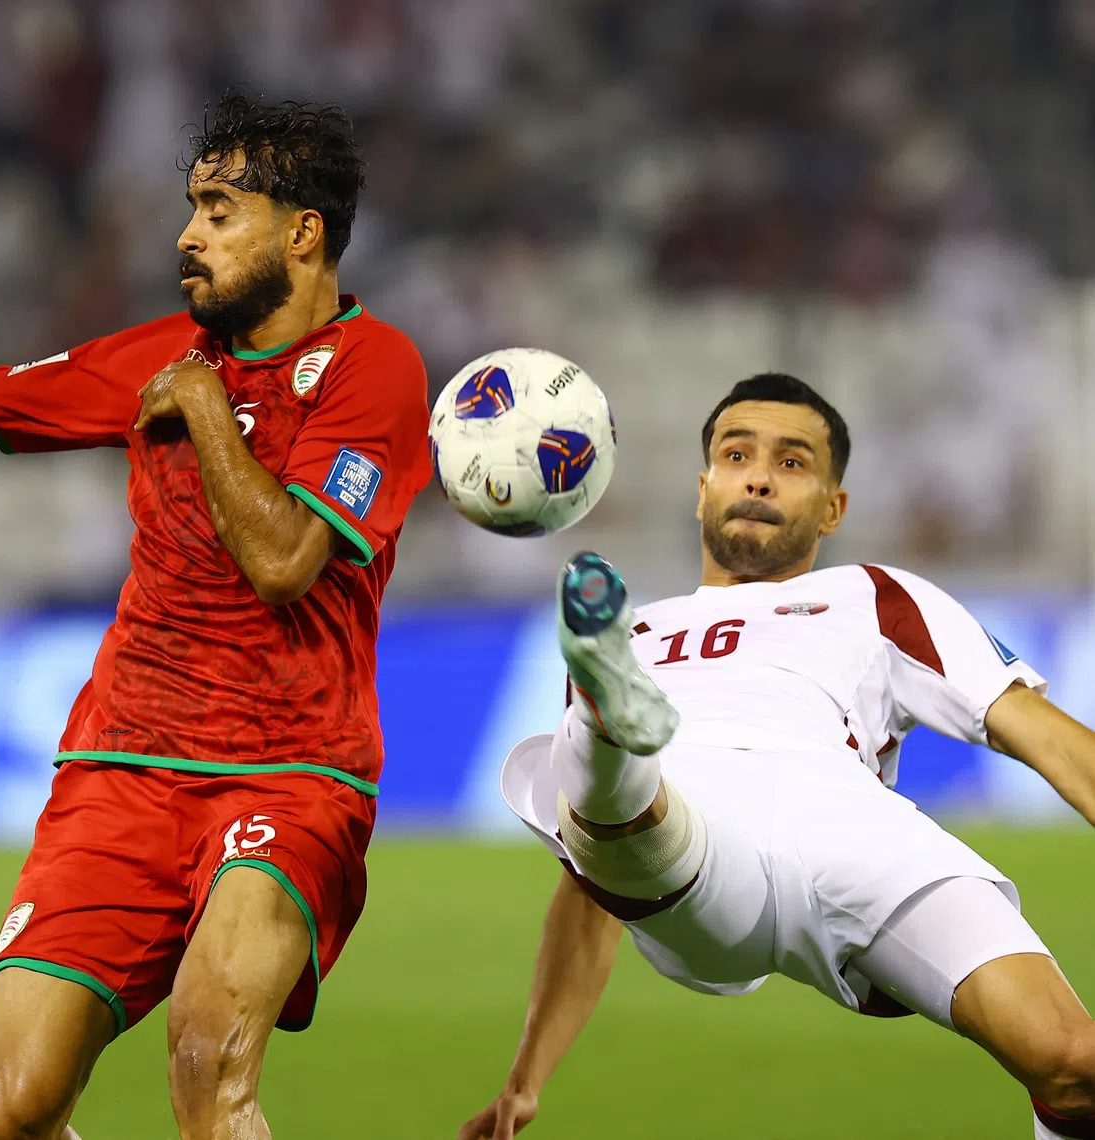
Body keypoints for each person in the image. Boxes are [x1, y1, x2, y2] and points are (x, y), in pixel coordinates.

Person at [0, 93, 430, 1140]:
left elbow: (285, 561)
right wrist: (187, 380)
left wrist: (207, 405)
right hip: (121, 765)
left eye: (219, 212)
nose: (187, 235)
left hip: (289, 771)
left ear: (301, 233)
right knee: (8, 1111)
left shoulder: (375, 368)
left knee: (208, 1067)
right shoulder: (164, 353)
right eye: (191, 209)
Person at [459, 372, 1095, 1140]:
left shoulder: (875, 595)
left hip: (854, 830)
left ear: (833, 507)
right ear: (703, 490)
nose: (758, 476)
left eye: (792, 462)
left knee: (1074, 1065)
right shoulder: (639, 627)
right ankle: (610, 721)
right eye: (737, 455)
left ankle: (610, 725)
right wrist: (525, 1077)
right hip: (699, 833)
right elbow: (588, 892)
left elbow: (1043, 735)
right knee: (613, 797)